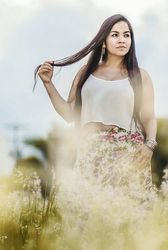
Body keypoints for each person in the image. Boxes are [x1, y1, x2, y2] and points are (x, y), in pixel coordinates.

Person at [34, 14, 157, 190]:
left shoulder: (140, 76)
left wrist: (150, 146)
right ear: (104, 41)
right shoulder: (86, 73)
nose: (122, 40)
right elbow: (69, 114)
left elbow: (149, 117)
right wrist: (48, 83)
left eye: (126, 35)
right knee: (91, 210)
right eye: (115, 35)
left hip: (129, 152)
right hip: (91, 152)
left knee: (127, 211)